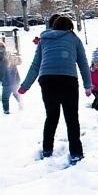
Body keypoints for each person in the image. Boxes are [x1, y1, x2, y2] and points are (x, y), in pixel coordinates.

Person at [18, 16, 92, 165]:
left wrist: (25, 86)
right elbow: (83, 63)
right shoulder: (74, 39)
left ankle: (47, 149)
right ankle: (76, 153)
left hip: (47, 80)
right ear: (70, 27)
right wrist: (87, 85)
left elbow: (35, 65)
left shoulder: (44, 40)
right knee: (71, 118)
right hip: (68, 80)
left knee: (51, 116)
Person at [0, 42, 22, 114]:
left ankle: (6, 111)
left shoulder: (7, 55)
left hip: (8, 81)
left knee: (5, 98)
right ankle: (21, 104)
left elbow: (19, 61)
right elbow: (19, 61)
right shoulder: (9, 54)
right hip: (15, 80)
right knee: (15, 93)